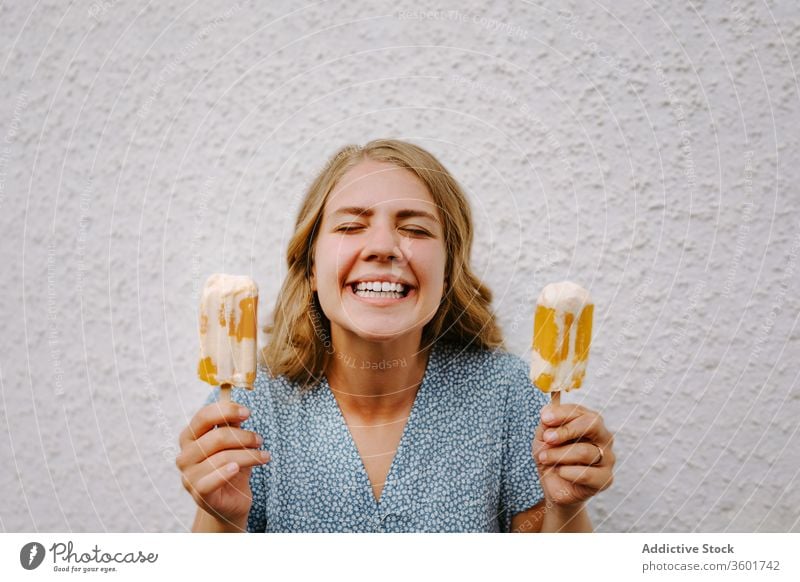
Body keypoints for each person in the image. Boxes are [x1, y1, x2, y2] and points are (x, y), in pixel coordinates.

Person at [176, 139, 615, 533]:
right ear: (311, 268)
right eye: (350, 226)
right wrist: (222, 517)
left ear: (446, 273)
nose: (383, 246)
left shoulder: (512, 396)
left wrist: (566, 508)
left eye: (416, 229)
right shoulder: (247, 411)